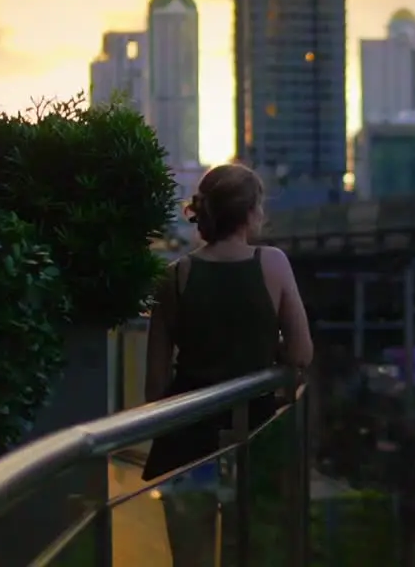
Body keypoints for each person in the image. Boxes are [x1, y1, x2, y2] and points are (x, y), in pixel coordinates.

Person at [142, 163, 313, 565]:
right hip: (256, 432)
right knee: (255, 546)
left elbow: (154, 385)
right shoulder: (273, 264)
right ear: (251, 211)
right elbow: (302, 353)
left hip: (186, 439)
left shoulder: (175, 276)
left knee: (192, 556)